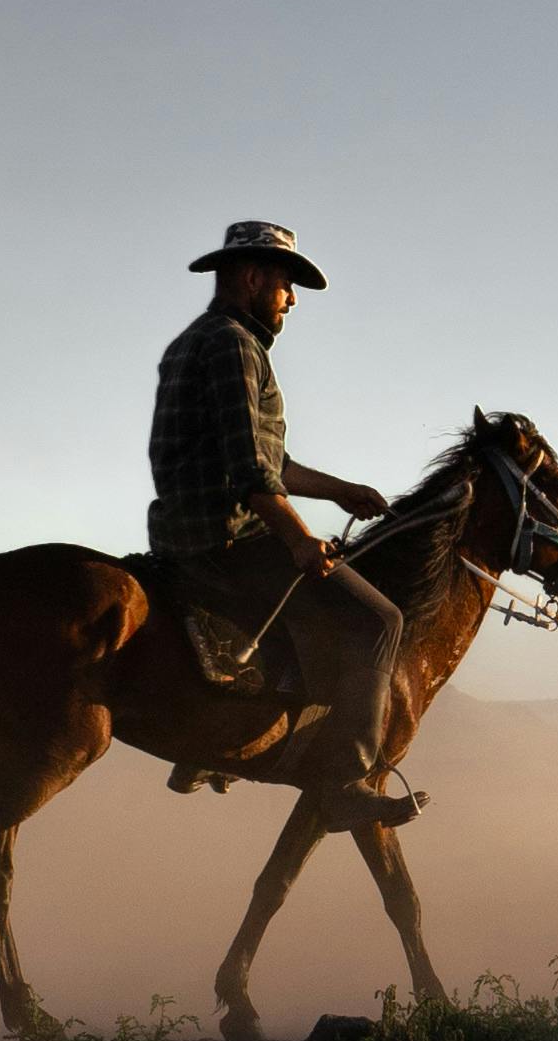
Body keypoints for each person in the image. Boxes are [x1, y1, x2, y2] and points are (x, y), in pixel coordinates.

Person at [146, 220, 417, 830]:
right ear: (253, 277)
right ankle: (348, 781)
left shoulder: (199, 341)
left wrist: (341, 491)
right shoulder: (234, 345)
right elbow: (251, 472)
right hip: (228, 539)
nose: (292, 300)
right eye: (287, 285)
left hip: (182, 533)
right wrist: (298, 540)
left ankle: (212, 747)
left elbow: (273, 464)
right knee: (380, 620)